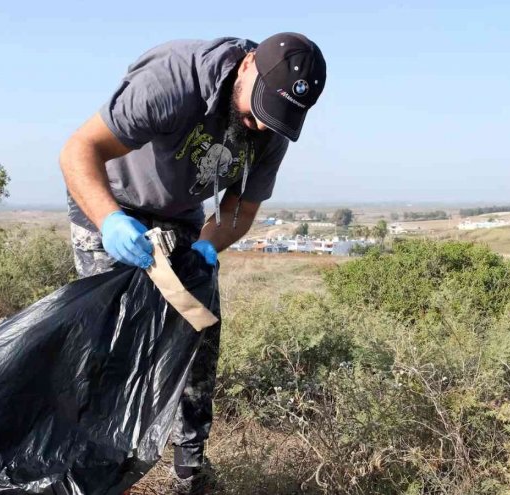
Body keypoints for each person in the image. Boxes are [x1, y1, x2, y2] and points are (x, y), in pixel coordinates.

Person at [59, 32, 326, 494]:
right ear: (247, 67)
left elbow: (240, 211)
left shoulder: (272, 126)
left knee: (198, 335)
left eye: (273, 119)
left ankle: (190, 472)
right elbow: (79, 151)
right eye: (255, 110)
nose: (259, 126)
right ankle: (99, 473)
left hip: (182, 218)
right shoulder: (175, 79)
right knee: (115, 349)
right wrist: (110, 223)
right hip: (111, 202)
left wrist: (208, 245)